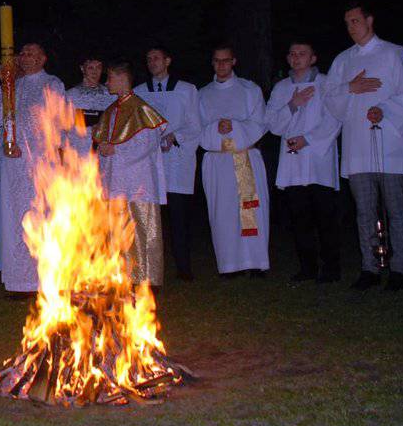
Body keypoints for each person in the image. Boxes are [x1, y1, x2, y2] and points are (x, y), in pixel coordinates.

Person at [324, 1, 403, 292]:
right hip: (357, 145)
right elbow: (330, 100)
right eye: (347, 23)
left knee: (395, 208)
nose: (350, 27)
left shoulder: (393, 53)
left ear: (369, 20)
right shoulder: (343, 60)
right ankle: (370, 267)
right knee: (364, 210)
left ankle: (398, 268)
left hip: (390, 144)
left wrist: (383, 110)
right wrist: (349, 88)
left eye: (355, 21)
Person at [0, 42, 72, 293]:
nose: (24, 57)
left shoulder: (52, 84)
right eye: (21, 54)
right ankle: (18, 281)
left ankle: (46, 279)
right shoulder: (11, 87)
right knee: (15, 220)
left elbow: (61, 122)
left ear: (43, 59)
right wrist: (5, 81)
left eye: (30, 54)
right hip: (13, 166)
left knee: (42, 218)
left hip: (41, 164)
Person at [266, 40, 342, 283]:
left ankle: (331, 267)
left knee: (326, 218)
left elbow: (334, 118)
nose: (296, 57)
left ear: (313, 58)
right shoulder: (281, 88)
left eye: (302, 53)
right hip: (293, 164)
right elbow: (272, 124)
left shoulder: (326, 83)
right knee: (300, 219)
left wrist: (307, 140)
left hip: (319, 160)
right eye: (292, 53)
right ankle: (307, 267)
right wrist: (293, 105)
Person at [198, 45, 271, 276]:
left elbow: (261, 123)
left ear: (234, 62)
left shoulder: (249, 90)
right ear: (212, 63)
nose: (221, 65)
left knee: (250, 211)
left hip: (244, 157)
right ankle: (229, 265)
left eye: (226, 60)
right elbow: (195, 128)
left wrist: (235, 127)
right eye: (217, 60)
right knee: (223, 213)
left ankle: (255, 262)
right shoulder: (202, 95)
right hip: (218, 162)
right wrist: (215, 129)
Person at [94, 61, 168, 287]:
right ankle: (122, 276)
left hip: (138, 181)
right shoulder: (111, 111)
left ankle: (147, 278)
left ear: (121, 78)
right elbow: (104, 142)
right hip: (115, 179)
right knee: (118, 228)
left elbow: (146, 144)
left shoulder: (141, 109)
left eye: (109, 78)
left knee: (141, 227)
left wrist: (115, 149)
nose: (107, 83)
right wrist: (103, 150)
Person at [134, 45, 201, 281]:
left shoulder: (186, 90)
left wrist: (175, 136)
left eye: (156, 58)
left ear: (167, 61)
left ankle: (183, 267)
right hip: (150, 163)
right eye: (148, 59)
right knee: (151, 219)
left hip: (177, 163)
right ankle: (149, 268)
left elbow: (195, 124)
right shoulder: (139, 92)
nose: (152, 62)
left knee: (179, 218)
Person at [67, 56, 115, 130]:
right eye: (90, 68)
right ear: (82, 68)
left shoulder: (111, 95)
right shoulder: (70, 96)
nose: (94, 72)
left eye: (98, 67)